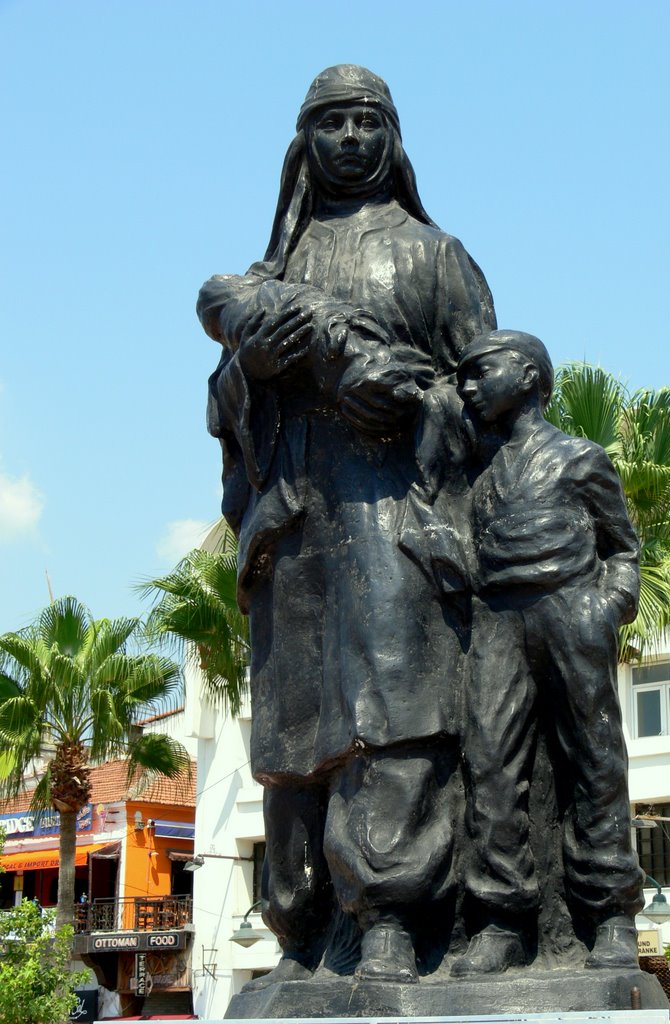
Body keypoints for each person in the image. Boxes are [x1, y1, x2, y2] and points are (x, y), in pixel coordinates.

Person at [198, 64, 496, 984]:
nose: (352, 139)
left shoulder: (435, 254)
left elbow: (492, 395)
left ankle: (393, 920)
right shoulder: (269, 274)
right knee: (294, 729)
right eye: (333, 123)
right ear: (305, 145)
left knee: (394, 714)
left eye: (369, 121)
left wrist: (407, 400)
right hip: (294, 523)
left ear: (394, 139)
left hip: (396, 515)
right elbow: (222, 409)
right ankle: (303, 927)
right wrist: (246, 365)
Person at [444, 330, 645, 975]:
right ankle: (502, 918)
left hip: (568, 608)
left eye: (483, 372)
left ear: (527, 376)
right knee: (492, 764)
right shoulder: (476, 473)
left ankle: (609, 913)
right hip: (497, 618)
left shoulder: (580, 458)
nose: (469, 386)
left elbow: (623, 548)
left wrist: (603, 609)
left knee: (594, 759)